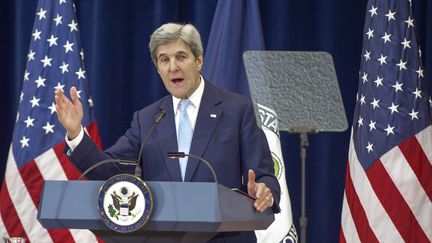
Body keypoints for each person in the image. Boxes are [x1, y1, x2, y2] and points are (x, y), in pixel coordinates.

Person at [55, 23, 280, 242]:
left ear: (199, 61)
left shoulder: (238, 110)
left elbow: (264, 176)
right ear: (158, 68)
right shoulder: (146, 119)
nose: (173, 67)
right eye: (164, 60)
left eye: (181, 57)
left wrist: (264, 190)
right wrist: (76, 133)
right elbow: (107, 172)